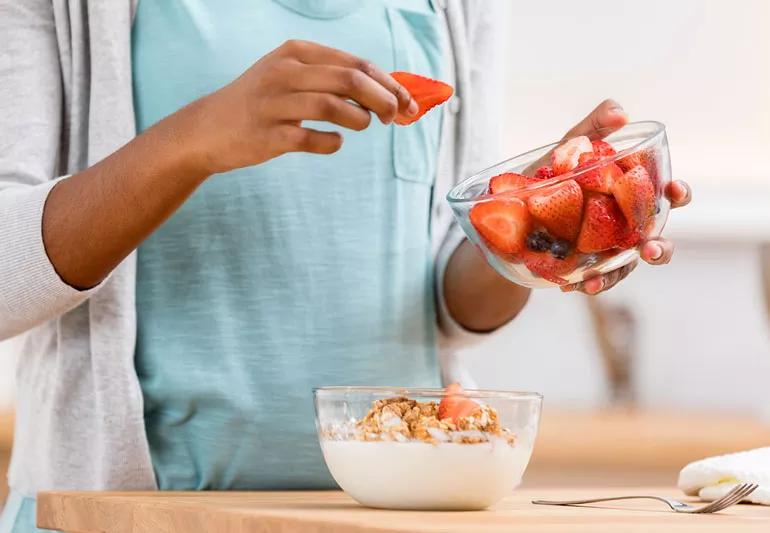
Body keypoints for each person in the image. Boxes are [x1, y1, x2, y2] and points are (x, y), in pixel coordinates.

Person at [0, 1, 691, 531]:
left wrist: (540, 230)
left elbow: (449, 299)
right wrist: (192, 140)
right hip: (130, 517)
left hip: (391, 517)